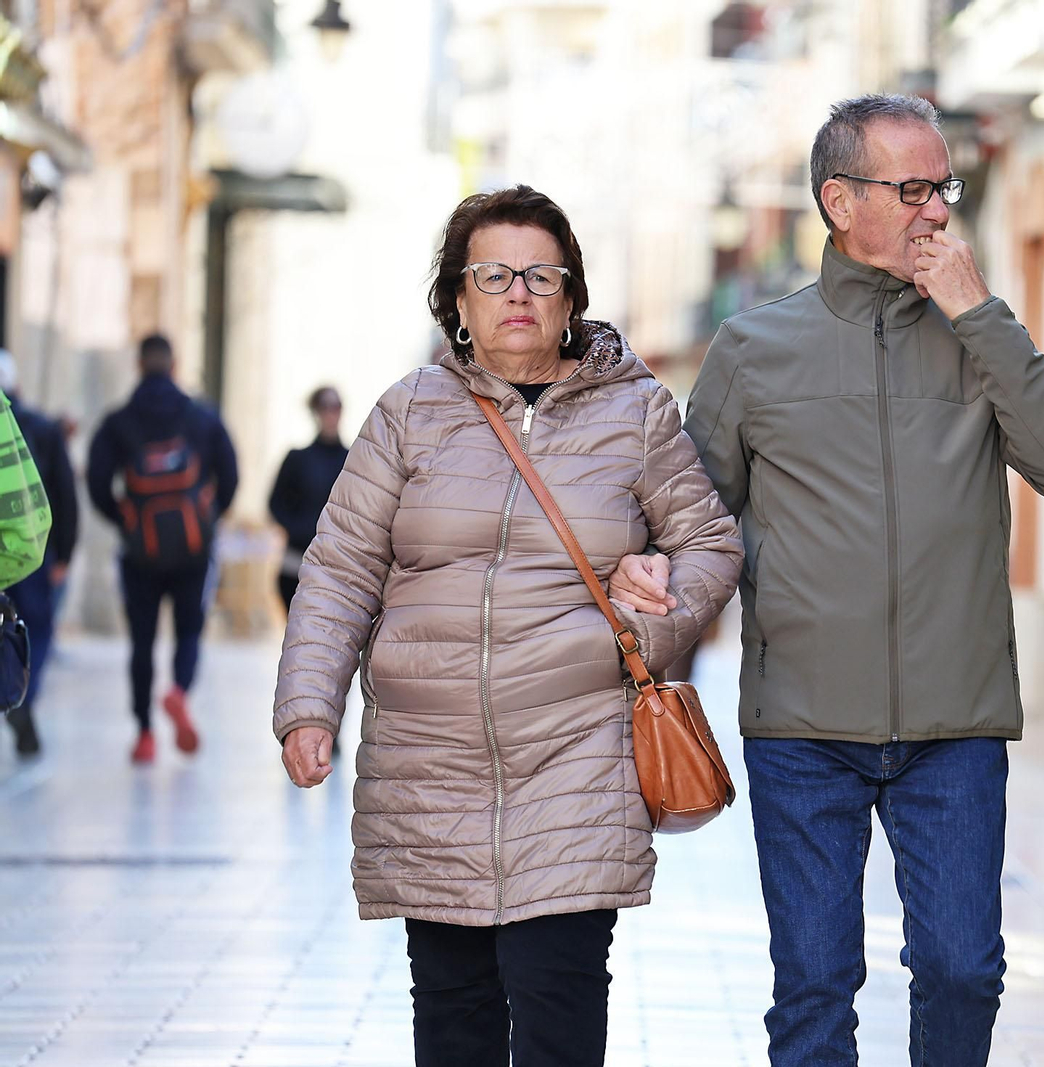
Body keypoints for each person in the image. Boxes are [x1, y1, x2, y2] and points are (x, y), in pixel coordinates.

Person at [633, 94, 1044, 1067]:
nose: (938, 209)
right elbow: (689, 515)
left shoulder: (978, 339)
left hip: (956, 725)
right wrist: (650, 589)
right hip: (804, 728)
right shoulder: (754, 349)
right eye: (915, 187)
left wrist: (981, 315)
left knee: (964, 967)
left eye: (945, 187)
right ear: (839, 201)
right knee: (812, 986)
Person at [271, 185, 741, 1067]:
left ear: (570, 299)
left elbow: (711, 541)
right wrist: (307, 705)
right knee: (454, 1013)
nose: (518, 292)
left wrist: (654, 618)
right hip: (429, 759)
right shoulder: (407, 414)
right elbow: (340, 568)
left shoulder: (635, 413)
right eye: (493, 274)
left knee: (557, 1001)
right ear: (457, 298)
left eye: (540, 274)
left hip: (577, 752)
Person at [87, 334, 237, 764]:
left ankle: (145, 734)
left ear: (139, 365)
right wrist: (209, 517)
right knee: (189, 631)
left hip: (139, 554)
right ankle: (177, 692)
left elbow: (98, 482)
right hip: (193, 550)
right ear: (174, 365)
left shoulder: (119, 421)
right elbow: (229, 472)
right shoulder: (201, 415)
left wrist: (125, 520)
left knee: (141, 642)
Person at [0, 351, 77, 757]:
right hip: (26, 553)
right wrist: (64, 553)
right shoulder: (38, 429)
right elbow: (62, 495)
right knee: (35, 630)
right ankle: (22, 694)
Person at [269, 385, 348, 612]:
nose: (331, 413)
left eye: (336, 406)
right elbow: (275, 503)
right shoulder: (297, 459)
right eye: (325, 406)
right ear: (315, 411)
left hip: (337, 563)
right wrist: (298, 529)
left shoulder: (352, 460)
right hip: (296, 560)